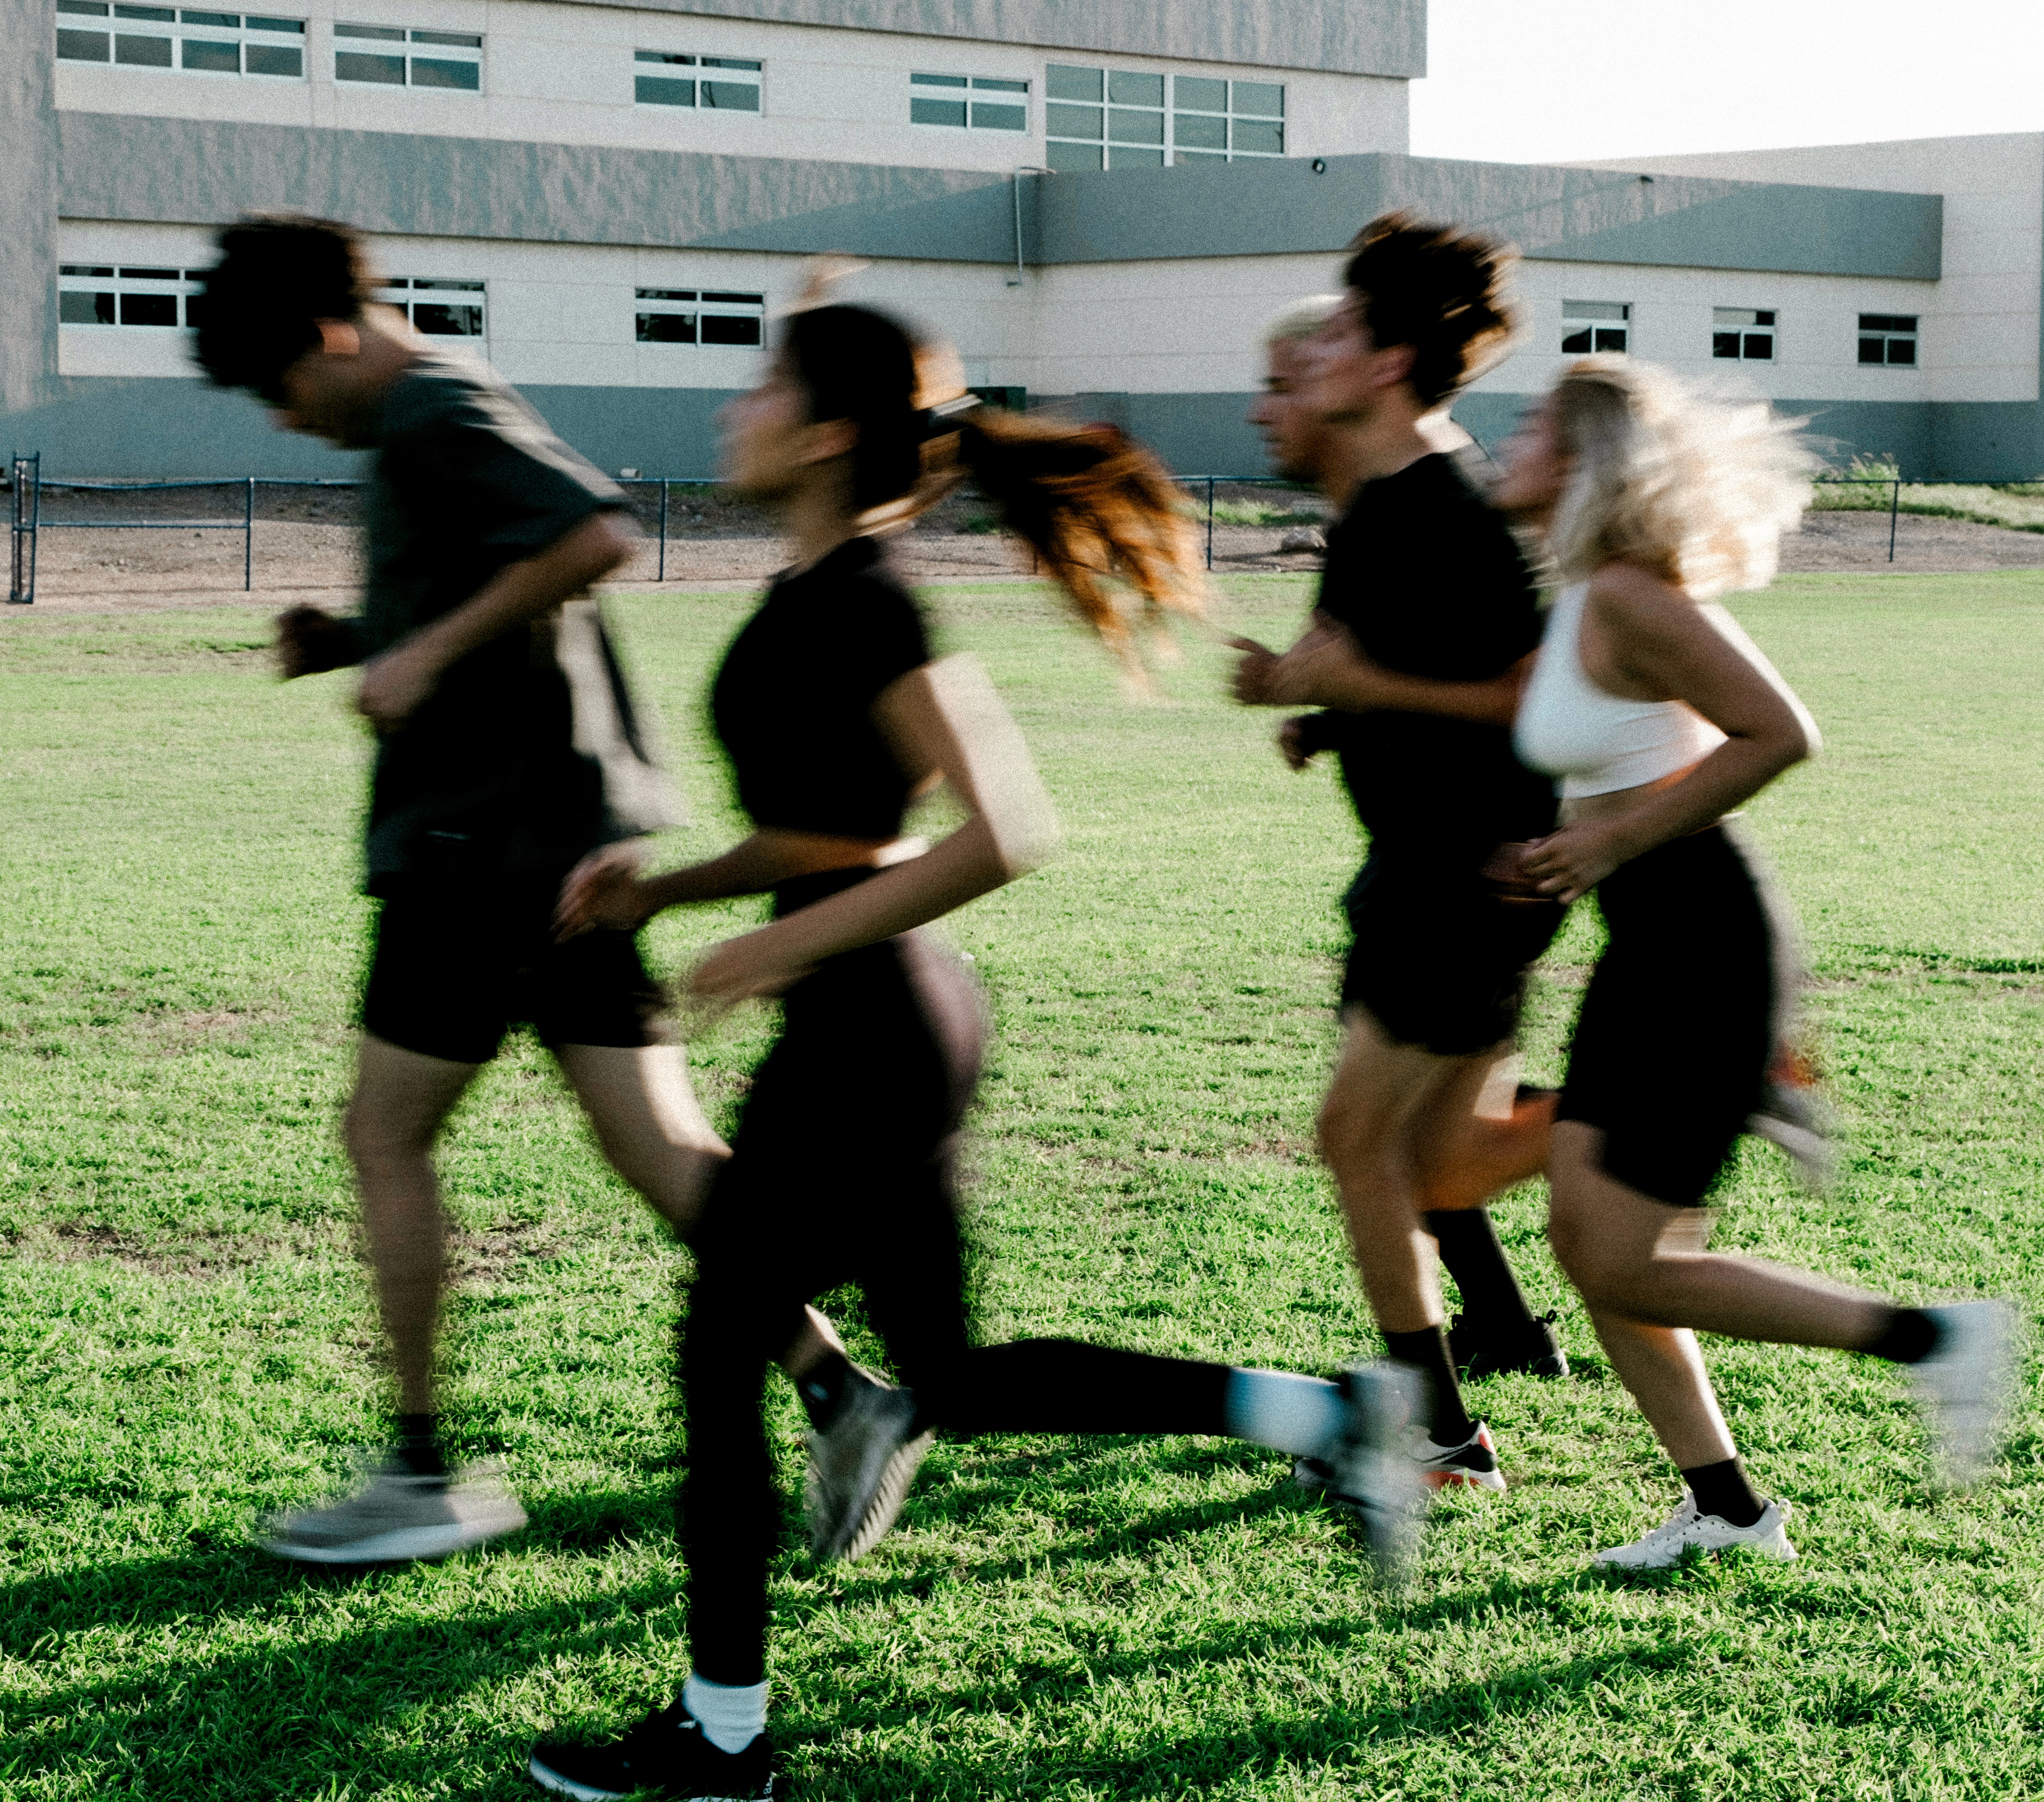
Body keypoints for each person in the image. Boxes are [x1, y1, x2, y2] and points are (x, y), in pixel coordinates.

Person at [527, 300, 1430, 1802]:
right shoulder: (820, 587)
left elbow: (1005, 828)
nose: (728, 409)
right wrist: (675, 886)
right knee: (939, 1371)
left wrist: (776, 940)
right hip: (880, 1019)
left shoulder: (866, 596)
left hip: (867, 1026)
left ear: (822, 430)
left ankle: (723, 1739)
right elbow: (847, 826)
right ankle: (1325, 1413)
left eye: (761, 384)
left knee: (716, 1350)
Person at [189, 214, 869, 1566]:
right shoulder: (426, 421)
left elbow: (597, 534)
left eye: (280, 388)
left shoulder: (436, 409)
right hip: (560, 850)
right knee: (658, 1149)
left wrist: (424, 651)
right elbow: (509, 581)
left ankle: (424, 1472)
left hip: (478, 851)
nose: (283, 418)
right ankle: (843, 1392)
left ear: (329, 335)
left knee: (384, 1137)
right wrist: (361, 641)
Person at [1490, 355, 2017, 1570]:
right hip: (1651, 939)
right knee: (1590, 1242)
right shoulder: (1581, 598)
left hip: (1705, 942)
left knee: (1624, 1255)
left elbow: (1783, 732)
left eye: (1529, 429)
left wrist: (1610, 836)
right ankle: (1725, 1509)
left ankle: (1936, 1341)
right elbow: (1608, 753)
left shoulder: (1627, 593)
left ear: (1581, 460)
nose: (1505, 446)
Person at [1225, 217, 1573, 1505]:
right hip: (1432, 869)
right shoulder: (1383, 505)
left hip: (1464, 876)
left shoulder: (1446, 505)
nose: (1303, 356)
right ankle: (1444, 1416)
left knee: (1355, 1141)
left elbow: (1538, 691)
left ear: (1378, 363)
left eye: (1325, 336)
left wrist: (1353, 679)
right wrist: (1330, 707)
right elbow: (1433, 674)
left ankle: (1435, 1437)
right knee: (1437, 1162)